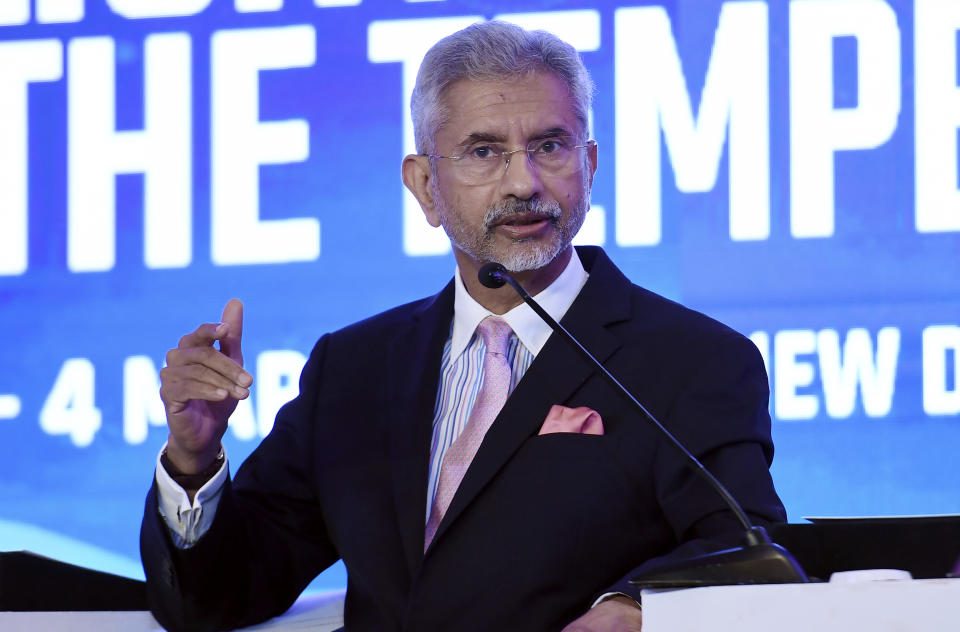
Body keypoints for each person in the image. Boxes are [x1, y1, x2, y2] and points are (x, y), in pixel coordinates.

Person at [141, 20, 786, 632]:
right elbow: (219, 596)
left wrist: (634, 606)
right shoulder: (355, 369)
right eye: (484, 151)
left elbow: (744, 552)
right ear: (425, 185)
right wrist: (192, 460)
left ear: (590, 164)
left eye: (550, 146)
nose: (523, 182)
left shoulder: (693, 360)